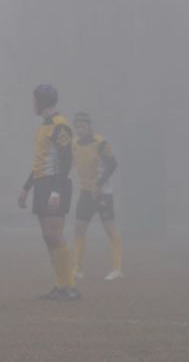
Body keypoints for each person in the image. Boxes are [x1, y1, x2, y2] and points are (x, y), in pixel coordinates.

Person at [18, 85, 80, 301]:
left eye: (34, 99)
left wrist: (56, 191)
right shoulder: (43, 127)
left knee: (55, 234)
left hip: (56, 183)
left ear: (42, 101)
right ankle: (60, 285)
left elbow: (66, 159)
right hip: (42, 183)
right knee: (47, 236)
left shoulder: (60, 126)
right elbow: (39, 162)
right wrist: (26, 188)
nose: (32, 103)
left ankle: (70, 286)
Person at [71, 112, 123, 280]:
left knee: (109, 228)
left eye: (83, 126)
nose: (80, 129)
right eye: (77, 126)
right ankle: (77, 269)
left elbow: (112, 164)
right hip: (85, 192)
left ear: (90, 126)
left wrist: (99, 185)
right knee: (79, 227)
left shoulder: (100, 143)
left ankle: (117, 269)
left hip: (102, 193)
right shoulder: (75, 144)